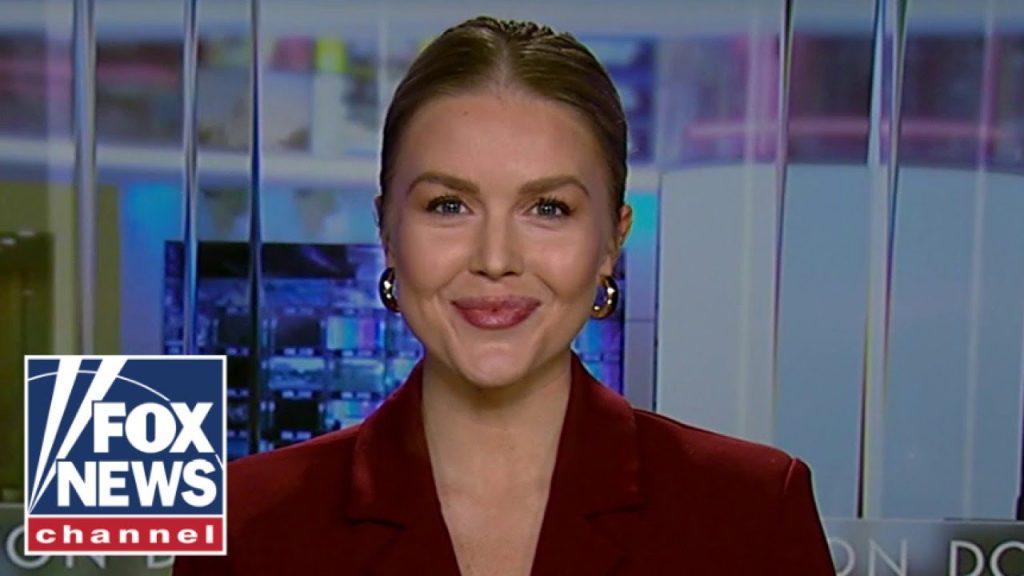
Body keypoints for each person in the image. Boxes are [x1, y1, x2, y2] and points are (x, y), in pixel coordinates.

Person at [174, 16, 834, 576]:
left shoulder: (752, 514)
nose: (495, 259)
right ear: (387, 231)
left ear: (612, 240)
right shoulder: (250, 525)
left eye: (548, 208)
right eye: (448, 205)